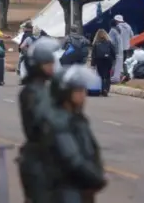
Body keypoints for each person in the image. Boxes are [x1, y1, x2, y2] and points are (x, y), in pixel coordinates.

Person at [41, 65, 108, 202]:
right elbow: (72, 159)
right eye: (77, 90)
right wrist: (95, 178)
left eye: (83, 89)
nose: (83, 94)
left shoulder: (78, 119)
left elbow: (91, 150)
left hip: (82, 190)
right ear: (64, 92)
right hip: (65, 193)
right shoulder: (59, 122)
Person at [18, 37, 61, 203]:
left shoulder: (43, 89)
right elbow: (44, 123)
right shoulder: (34, 92)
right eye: (47, 63)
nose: (51, 66)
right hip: (39, 157)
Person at [91, 28, 116, 97]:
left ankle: (102, 89)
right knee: (107, 76)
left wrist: (93, 64)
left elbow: (93, 55)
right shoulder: (109, 42)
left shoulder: (96, 43)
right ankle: (106, 89)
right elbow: (113, 52)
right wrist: (113, 60)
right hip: (108, 61)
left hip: (99, 61)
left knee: (100, 76)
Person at [108, 19, 124, 84]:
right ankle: (117, 78)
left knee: (113, 65)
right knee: (118, 65)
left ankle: (113, 79)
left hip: (115, 51)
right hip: (120, 50)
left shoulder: (112, 31)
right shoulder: (118, 31)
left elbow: (112, 42)